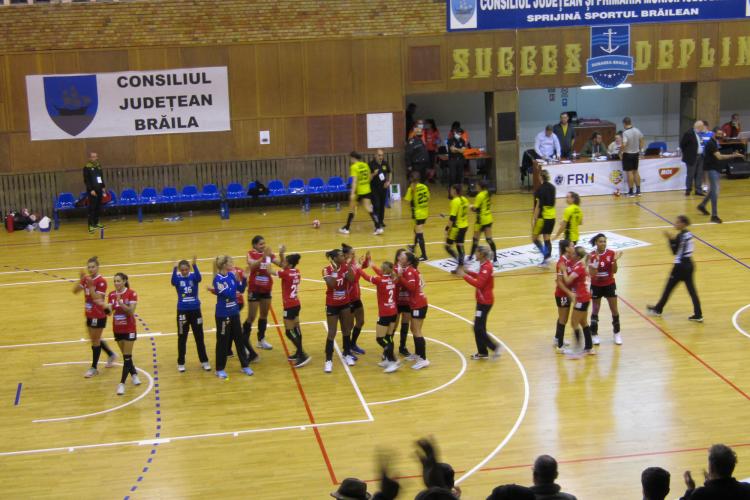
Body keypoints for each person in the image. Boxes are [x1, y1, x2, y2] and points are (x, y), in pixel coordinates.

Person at [647, 215, 703, 322]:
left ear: (683, 224)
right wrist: (673, 239)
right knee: (692, 291)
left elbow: (674, 251)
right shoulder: (688, 234)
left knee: (668, 288)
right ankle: (698, 314)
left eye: (677, 222)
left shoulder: (680, 236)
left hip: (680, 266)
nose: (675, 224)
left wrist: (669, 239)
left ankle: (658, 309)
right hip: (689, 264)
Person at [73, 256, 117, 378]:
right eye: (89, 267)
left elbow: (98, 298)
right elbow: (75, 291)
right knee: (94, 339)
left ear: (97, 267)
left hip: (99, 314)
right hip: (89, 313)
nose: (90, 269)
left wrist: (90, 285)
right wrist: (80, 279)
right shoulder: (86, 279)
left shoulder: (101, 281)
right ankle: (111, 354)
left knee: (95, 341)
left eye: (93, 267)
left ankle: (94, 368)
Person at [456, 246, 502, 360]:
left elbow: (479, 284)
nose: (475, 255)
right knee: (479, 327)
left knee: (477, 328)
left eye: (476, 253)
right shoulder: (485, 265)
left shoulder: (486, 267)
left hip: (485, 302)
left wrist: (464, 275)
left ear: (481, 255)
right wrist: (469, 272)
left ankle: (495, 347)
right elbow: (480, 277)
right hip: (483, 301)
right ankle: (482, 352)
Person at [211, 255, 253, 379]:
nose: (233, 265)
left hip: (234, 312)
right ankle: (219, 369)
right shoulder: (217, 280)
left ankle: (245, 366)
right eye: (230, 263)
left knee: (239, 339)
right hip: (223, 314)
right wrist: (235, 287)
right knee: (223, 342)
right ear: (224, 265)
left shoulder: (231, 275)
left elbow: (241, 289)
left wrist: (244, 278)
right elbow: (229, 294)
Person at [244, 236, 284, 351]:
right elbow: (252, 265)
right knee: (251, 317)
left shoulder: (269, 254)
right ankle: (244, 343)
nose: (263, 245)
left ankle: (261, 340)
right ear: (254, 245)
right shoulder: (250, 254)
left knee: (264, 315)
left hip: (266, 288)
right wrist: (264, 257)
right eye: (261, 244)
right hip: (254, 289)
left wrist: (281, 254)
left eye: (264, 243)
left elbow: (282, 264)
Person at [103, 273, 141, 395]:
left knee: (127, 357)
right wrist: (104, 307)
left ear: (124, 281)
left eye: (118, 281)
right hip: (117, 329)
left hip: (129, 329)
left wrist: (121, 303)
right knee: (126, 357)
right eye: (114, 281)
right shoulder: (111, 295)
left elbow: (131, 311)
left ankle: (122, 384)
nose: (116, 283)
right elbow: (109, 313)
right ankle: (134, 374)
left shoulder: (131, 293)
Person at [360, 261, 401, 373]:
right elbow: (381, 274)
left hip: (385, 313)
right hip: (393, 311)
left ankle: (392, 361)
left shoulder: (379, 280)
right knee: (389, 337)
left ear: (384, 270)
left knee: (380, 339)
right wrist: (372, 265)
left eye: (381, 269)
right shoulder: (393, 279)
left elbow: (366, 277)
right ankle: (389, 360)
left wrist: (358, 269)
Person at [172, 257, 211, 372]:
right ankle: (181, 362)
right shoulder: (177, 278)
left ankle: (204, 361)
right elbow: (173, 282)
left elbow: (199, 278)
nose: (184, 271)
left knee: (199, 336)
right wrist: (174, 268)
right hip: (182, 311)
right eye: (182, 270)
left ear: (189, 269)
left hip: (195, 310)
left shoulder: (193, 276)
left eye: (186, 269)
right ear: (180, 270)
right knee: (182, 337)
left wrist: (195, 265)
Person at [698, 127, 744, 224]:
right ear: (714, 133)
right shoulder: (711, 143)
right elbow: (719, 156)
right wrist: (734, 155)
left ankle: (702, 205)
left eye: (721, 134)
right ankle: (714, 216)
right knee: (715, 192)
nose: (720, 135)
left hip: (715, 168)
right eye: (718, 133)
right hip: (712, 169)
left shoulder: (715, 142)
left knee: (713, 190)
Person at [273, 253, 310, 368]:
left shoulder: (285, 273)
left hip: (289, 306)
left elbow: (270, 271)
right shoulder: (296, 271)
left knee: (289, 332)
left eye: (284, 261)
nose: (282, 263)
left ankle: (302, 355)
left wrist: (266, 258)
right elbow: (284, 267)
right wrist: (281, 254)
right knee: (296, 329)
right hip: (296, 304)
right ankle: (299, 352)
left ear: (289, 264)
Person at [322, 248, 355, 373]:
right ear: (335, 258)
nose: (343, 257)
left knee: (346, 330)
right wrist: (335, 272)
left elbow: (352, 279)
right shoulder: (326, 270)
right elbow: (332, 285)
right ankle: (328, 360)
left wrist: (348, 266)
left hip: (345, 303)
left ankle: (347, 353)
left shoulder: (345, 267)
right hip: (332, 305)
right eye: (341, 256)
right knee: (332, 332)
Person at [587, 233, 623, 346]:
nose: (603, 243)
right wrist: (595, 264)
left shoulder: (611, 253)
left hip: (609, 285)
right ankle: (594, 334)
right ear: (596, 243)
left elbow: (615, 271)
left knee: (614, 310)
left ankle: (617, 333)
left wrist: (615, 260)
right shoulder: (591, 255)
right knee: (595, 310)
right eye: (600, 241)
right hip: (596, 286)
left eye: (604, 241)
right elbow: (591, 274)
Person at [559, 246, 595, 356]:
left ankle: (577, 351)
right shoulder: (580, 265)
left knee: (574, 323)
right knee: (583, 322)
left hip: (581, 299)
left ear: (578, 256)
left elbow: (568, 281)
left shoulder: (579, 267)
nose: (572, 255)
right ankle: (589, 348)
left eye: (574, 253)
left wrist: (563, 270)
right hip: (585, 298)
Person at [681, 444, 750, 499]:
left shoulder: (700, 494)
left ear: (711, 468)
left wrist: (690, 489)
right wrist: (710, 484)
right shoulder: (746, 489)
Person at [398, 252, 430, 369]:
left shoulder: (410, 271)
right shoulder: (410, 270)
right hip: (418, 303)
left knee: (417, 331)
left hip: (418, 304)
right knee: (414, 329)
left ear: (408, 261)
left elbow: (411, 287)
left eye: (403, 258)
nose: (400, 259)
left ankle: (423, 359)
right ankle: (418, 354)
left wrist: (400, 277)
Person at [340, 151, 382, 235]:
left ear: (353, 158)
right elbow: (369, 178)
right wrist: (372, 175)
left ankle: (347, 228)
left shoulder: (354, 167)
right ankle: (378, 227)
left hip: (358, 191)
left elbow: (354, 181)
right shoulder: (365, 165)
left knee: (352, 209)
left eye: (350, 158)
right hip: (366, 190)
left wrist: (352, 193)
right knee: (368, 208)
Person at [342, 244, 370, 356]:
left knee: (360, 321)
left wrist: (366, 260)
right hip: (348, 299)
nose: (354, 255)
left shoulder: (353, 262)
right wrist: (358, 266)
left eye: (354, 253)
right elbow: (353, 279)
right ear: (345, 255)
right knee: (349, 326)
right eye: (352, 253)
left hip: (356, 297)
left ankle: (352, 344)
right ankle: (347, 348)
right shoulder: (343, 266)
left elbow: (362, 267)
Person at [553, 240, 576, 353]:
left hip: (566, 294)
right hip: (562, 294)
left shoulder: (569, 260)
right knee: (563, 319)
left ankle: (557, 339)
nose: (574, 247)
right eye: (572, 246)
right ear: (567, 248)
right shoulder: (561, 262)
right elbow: (559, 282)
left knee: (563, 318)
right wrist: (569, 293)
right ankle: (560, 346)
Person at [468, 179, 497, 264]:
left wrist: (471, 207)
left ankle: (470, 257)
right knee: (489, 240)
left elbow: (475, 208)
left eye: (477, 185)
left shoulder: (479, 195)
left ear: (480, 186)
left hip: (480, 220)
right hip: (488, 219)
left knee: (475, 240)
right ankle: (495, 260)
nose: (476, 187)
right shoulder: (487, 193)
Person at [405, 171, 431, 261]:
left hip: (418, 214)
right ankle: (413, 247)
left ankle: (424, 255)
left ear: (411, 179)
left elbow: (407, 201)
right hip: (425, 212)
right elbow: (428, 198)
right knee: (416, 230)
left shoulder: (411, 189)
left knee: (419, 234)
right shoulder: (424, 187)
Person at [532, 170, 556, 266]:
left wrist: (534, 218)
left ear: (541, 177)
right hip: (552, 216)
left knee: (535, 238)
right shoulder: (553, 187)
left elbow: (538, 205)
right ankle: (547, 258)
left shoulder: (540, 189)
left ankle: (546, 256)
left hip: (543, 217)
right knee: (547, 238)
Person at [394, 248, 415, 358]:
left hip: (406, 301)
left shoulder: (409, 270)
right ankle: (389, 348)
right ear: (398, 258)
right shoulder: (394, 269)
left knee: (405, 324)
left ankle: (402, 347)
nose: (403, 258)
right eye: (402, 256)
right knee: (393, 325)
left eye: (405, 257)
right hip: (397, 301)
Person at [444, 184, 470, 273]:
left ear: (455, 191)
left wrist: (447, 228)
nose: (450, 191)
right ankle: (461, 266)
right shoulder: (464, 199)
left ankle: (460, 264)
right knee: (460, 246)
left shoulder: (455, 201)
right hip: (464, 226)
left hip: (456, 227)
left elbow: (453, 217)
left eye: (451, 190)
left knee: (448, 247)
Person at [680, 121, 707, 196]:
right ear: (699, 127)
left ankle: (698, 190)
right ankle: (688, 189)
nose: (703, 128)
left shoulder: (701, 134)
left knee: (699, 174)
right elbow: (682, 145)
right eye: (702, 127)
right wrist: (688, 153)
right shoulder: (689, 133)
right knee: (690, 174)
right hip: (691, 157)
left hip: (700, 156)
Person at [621, 116, 644, 197]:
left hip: (628, 154)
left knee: (629, 172)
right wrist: (640, 149)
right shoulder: (637, 130)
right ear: (630, 122)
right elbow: (642, 140)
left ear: (624, 123)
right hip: (636, 154)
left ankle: (631, 192)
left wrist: (620, 151)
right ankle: (638, 191)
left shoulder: (625, 133)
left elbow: (624, 144)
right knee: (636, 171)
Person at [83, 152, 106, 233]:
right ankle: (90, 225)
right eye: (92, 157)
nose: (94, 158)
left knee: (98, 207)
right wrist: (91, 190)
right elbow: (86, 180)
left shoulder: (98, 166)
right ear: (89, 158)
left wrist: (103, 186)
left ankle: (96, 223)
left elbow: (101, 177)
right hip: (92, 191)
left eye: (95, 157)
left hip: (99, 189)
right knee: (92, 208)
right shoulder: (87, 167)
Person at [369, 149, 391, 228]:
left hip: (383, 188)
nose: (381, 157)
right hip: (374, 189)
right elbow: (368, 178)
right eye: (379, 155)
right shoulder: (371, 164)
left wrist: (388, 182)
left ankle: (381, 221)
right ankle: (377, 223)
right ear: (375, 155)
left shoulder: (385, 163)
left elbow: (390, 172)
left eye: (382, 155)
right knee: (376, 205)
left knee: (382, 206)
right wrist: (373, 174)